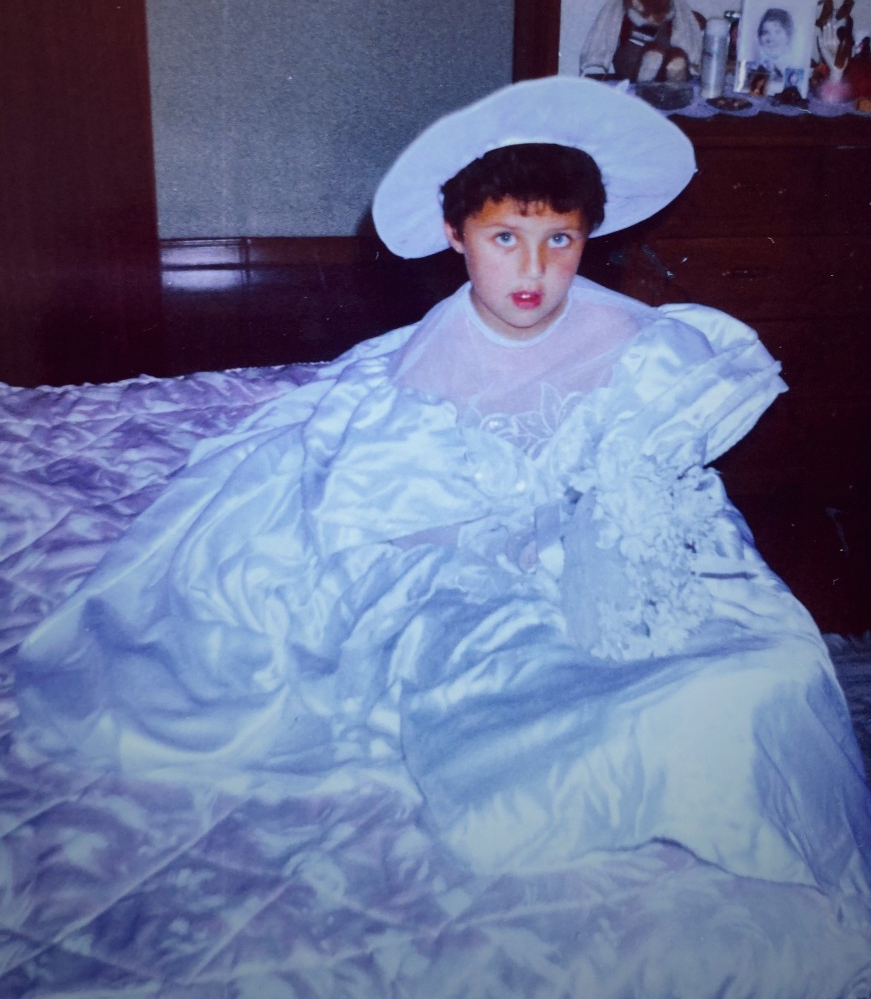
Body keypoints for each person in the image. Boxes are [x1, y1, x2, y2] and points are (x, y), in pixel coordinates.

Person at [15, 78, 871, 994]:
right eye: (504, 238)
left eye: (560, 239)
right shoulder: (431, 362)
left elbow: (666, 478)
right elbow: (398, 520)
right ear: (457, 237)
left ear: (587, 237)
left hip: (614, 550)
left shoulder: (633, 335)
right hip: (474, 563)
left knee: (767, 664)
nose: (534, 269)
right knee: (531, 681)